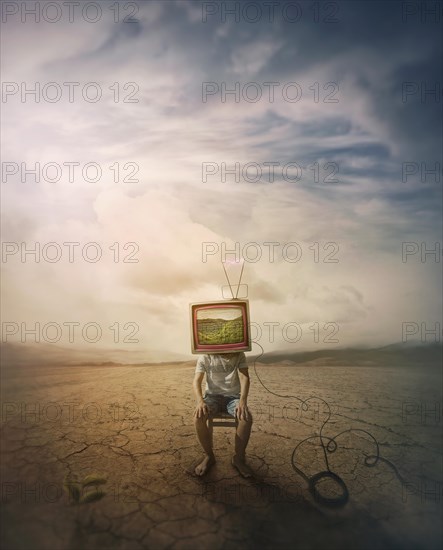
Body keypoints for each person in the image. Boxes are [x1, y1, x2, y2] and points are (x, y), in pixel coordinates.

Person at [192, 351, 253, 477]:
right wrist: (200, 402)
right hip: (212, 397)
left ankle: (238, 459)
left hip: (233, 397)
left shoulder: (239, 354)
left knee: (246, 417)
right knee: (198, 417)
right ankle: (209, 456)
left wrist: (242, 401)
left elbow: (244, 376)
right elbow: (196, 380)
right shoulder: (205, 356)